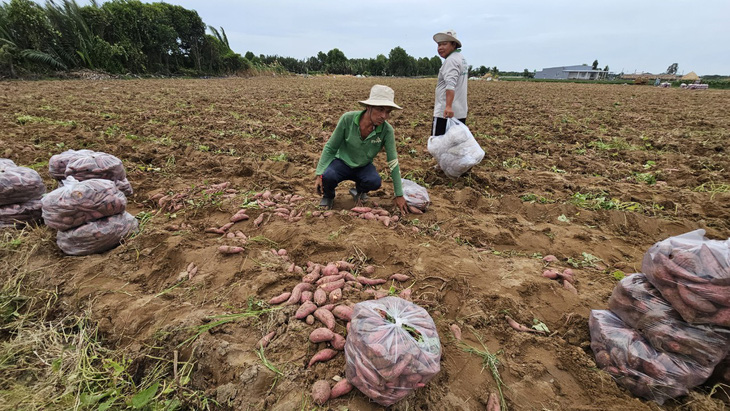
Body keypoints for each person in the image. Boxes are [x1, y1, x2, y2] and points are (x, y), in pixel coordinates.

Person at [314, 84, 409, 214]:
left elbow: (393, 162)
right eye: (380, 109)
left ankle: (358, 191)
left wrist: (399, 194)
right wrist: (319, 174)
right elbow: (331, 148)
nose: (384, 116)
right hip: (341, 162)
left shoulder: (387, 131)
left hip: (363, 166)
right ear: (368, 107)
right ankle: (328, 196)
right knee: (328, 176)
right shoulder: (348, 119)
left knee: (374, 181)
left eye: (388, 112)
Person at [432, 29, 468, 136]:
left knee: (437, 144)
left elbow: (450, 85)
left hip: (445, 113)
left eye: (444, 44)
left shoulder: (450, 61)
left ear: (453, 45)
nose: (440, 48)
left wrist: (448, 106)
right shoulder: (461, 58)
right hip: (460, 112)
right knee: (454, 145)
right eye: (439, 45)